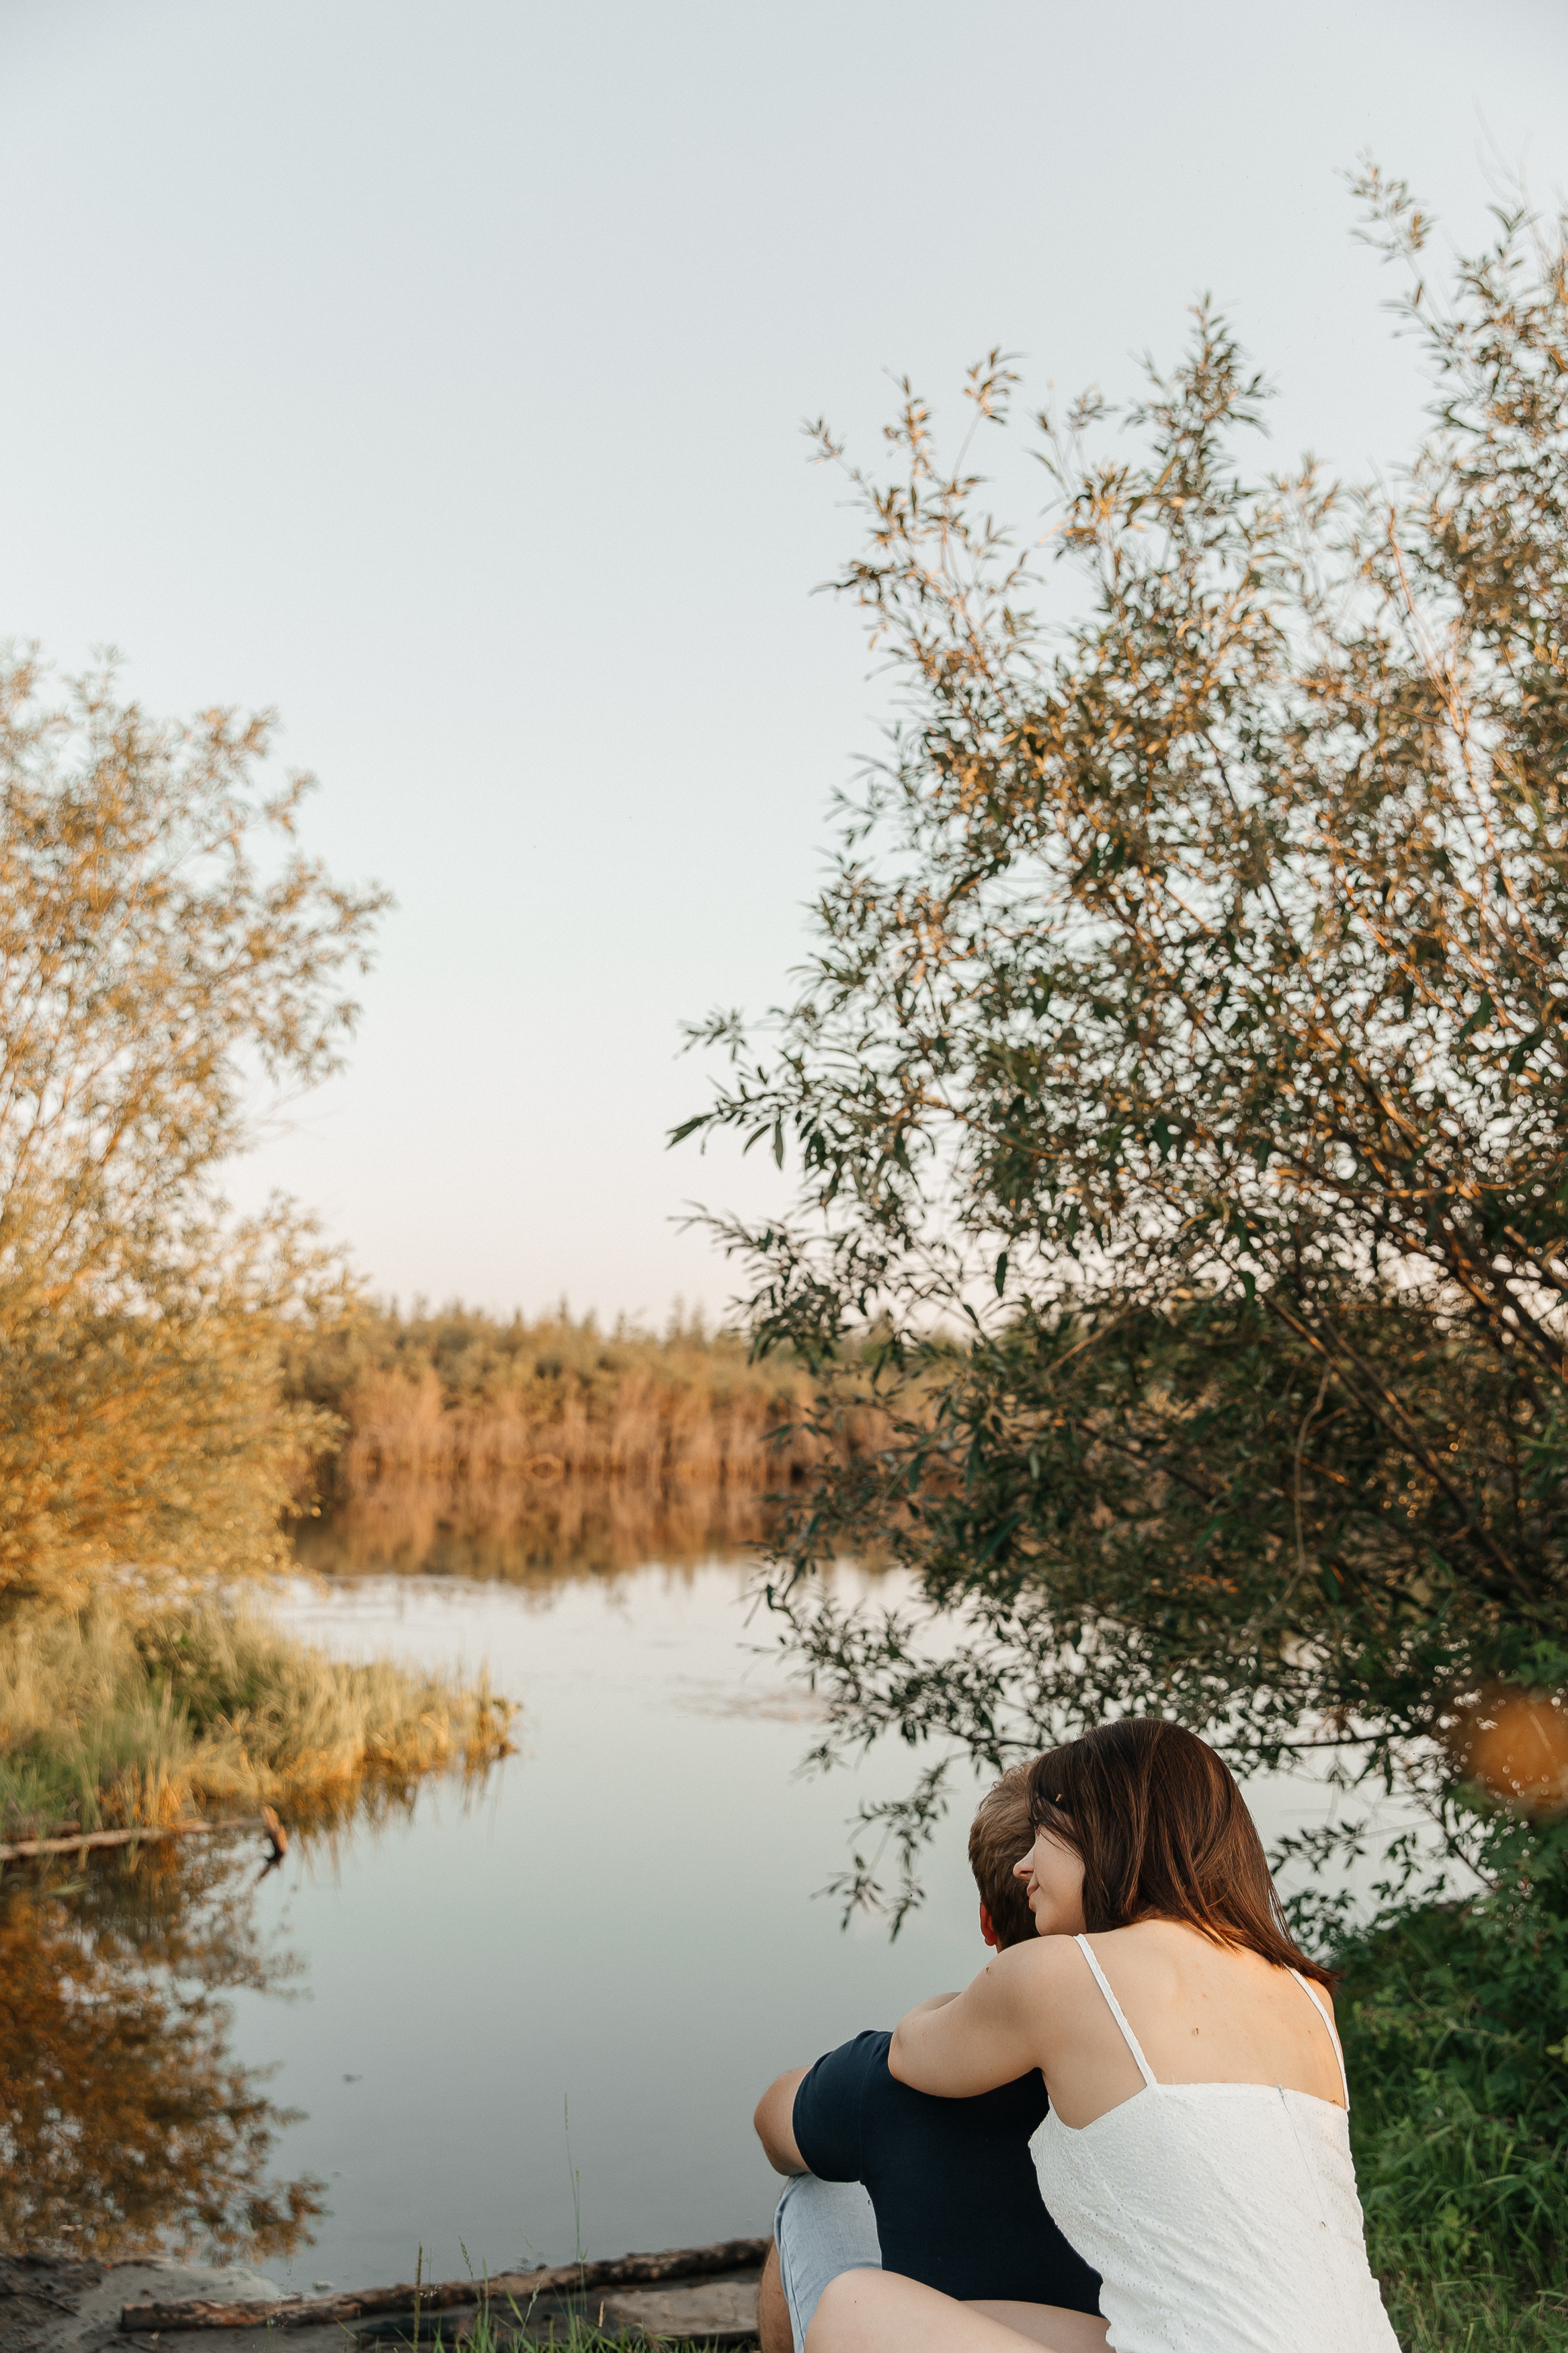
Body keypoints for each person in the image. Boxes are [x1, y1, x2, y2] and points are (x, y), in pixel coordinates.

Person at [807, 1718, 1401, 2353]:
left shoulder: (1059, 1971)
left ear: (1105, 1830)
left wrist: (952, 2001)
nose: (1024, 1867)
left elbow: (911, 2054)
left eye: (1041, 1835)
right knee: (978, 2315)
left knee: (854, 2305)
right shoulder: (1303, 1991)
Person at [753, 1767, 1103, 2353]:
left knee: (814, 2185)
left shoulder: (897, 2070)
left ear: (988, 1922)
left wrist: (843, 2089)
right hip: (1114, 2333)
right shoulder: (1159, 2069)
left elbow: (771, 2124)